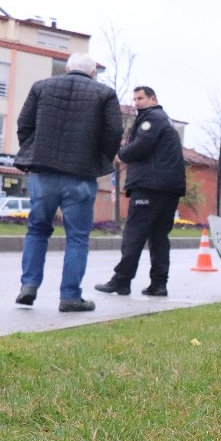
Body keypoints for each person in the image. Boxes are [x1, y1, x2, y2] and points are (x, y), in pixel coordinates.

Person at [14, 53, 124, 312]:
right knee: (77, 238)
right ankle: (70, 296)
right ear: (93, 72)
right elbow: (114, 132)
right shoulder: (104, 94)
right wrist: (100, 159)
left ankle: (29, 286)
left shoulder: (41, 87)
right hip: (81, 175)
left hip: (43, 172)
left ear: (67, 68)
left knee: (37, 230)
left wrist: (33, 150)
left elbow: (23, 124)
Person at [95, 86, 186, 297]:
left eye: (141, 98)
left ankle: (121, 281)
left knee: (134, 234)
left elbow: (142, 145)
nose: (137, 103)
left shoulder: (151, 118)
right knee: (159, 236)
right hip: (169, 188)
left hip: (149, 187)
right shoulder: (164, 119)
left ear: (153, 99)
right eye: (135, 99)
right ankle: (159, 283)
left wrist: (121, 155)